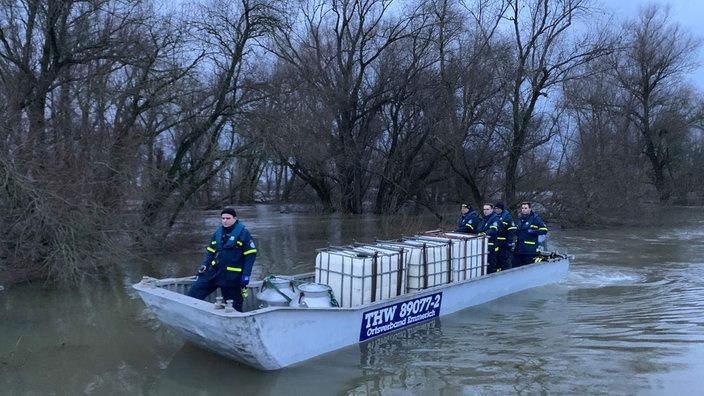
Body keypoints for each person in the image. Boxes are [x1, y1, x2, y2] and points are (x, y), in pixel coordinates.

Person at [188, 207, 257, 312]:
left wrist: (246, 274)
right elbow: (210, 251)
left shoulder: (244, 234)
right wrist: (205, 265)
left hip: (232, 277)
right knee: (195, 291)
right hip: (214, 273)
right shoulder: (218, 233)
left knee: (234, 305)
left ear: (235, 218)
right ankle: (191, 315)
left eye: (228, 218)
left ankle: (235, 325)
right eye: (223, 218)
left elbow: (250, 255)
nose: (224, 220)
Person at [513, 201, 548, 268]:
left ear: (530, 209)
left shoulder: (535, 218)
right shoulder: (521, 219)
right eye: (522, 208)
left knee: (528, 269)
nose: (523, 210)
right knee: (515, 267)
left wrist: (532, 231)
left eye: (525, 208)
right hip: (519, 249)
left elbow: (544, 230)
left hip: (530, 250)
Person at [477, 203, 500, 273]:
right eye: (484, 209)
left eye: (487, 209)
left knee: (491, 265)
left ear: (492, 210)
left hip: (491, 246)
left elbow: (493, 230)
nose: (485, 211)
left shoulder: (495, 218)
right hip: (484, 245)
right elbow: (480, 229)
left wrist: (485, 233)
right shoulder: (485, 218)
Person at [494, 201, 516, 271]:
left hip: (504, 243)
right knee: (495, 260)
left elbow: (511, 230)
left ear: (502, 209)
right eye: (495, 208)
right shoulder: (494, 216)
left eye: (498, 208)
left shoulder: (507, 217)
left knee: (504, 261)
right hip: (495, 242)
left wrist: (509, 241)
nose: (497, 210)